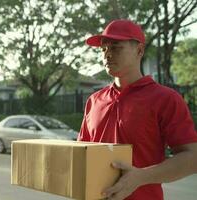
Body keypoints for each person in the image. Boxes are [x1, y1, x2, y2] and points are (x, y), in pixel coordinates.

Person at [78, 19, 197, 200]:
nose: (107, 55)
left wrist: (141, 177)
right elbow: (81, 154)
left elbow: (192, 158)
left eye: (116, 48)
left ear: (139, 51)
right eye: (104, 49)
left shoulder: (165, 98)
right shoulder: (94, 101)